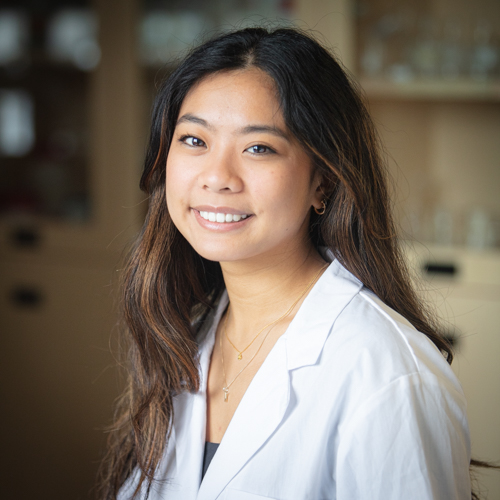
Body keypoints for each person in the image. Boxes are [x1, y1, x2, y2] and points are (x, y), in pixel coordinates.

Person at [99, 27, 473, 499]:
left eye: (259, 148)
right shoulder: (185, 333)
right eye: (194, 140)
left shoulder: (386, 373)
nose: (217, 177)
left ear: (324, 182)